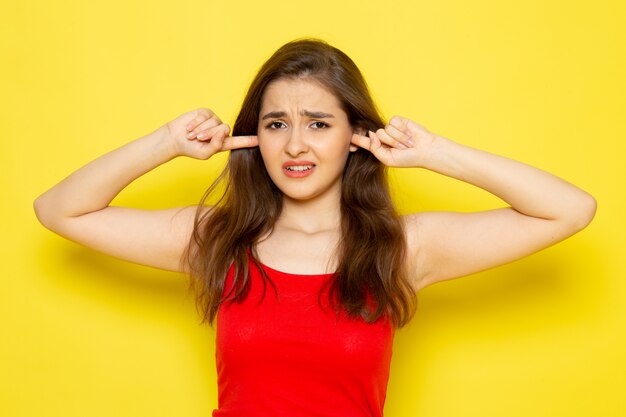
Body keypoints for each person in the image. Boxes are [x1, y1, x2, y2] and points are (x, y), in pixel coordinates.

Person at [34, 38, 596, 417]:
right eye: (277, 123)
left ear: (355, 135)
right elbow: (60, 210)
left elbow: (569, 209)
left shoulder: (401, 248)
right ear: (255, 135)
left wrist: (435, 154)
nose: (295, 144)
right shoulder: (219, 238)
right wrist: (165, 144)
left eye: (319, 124)